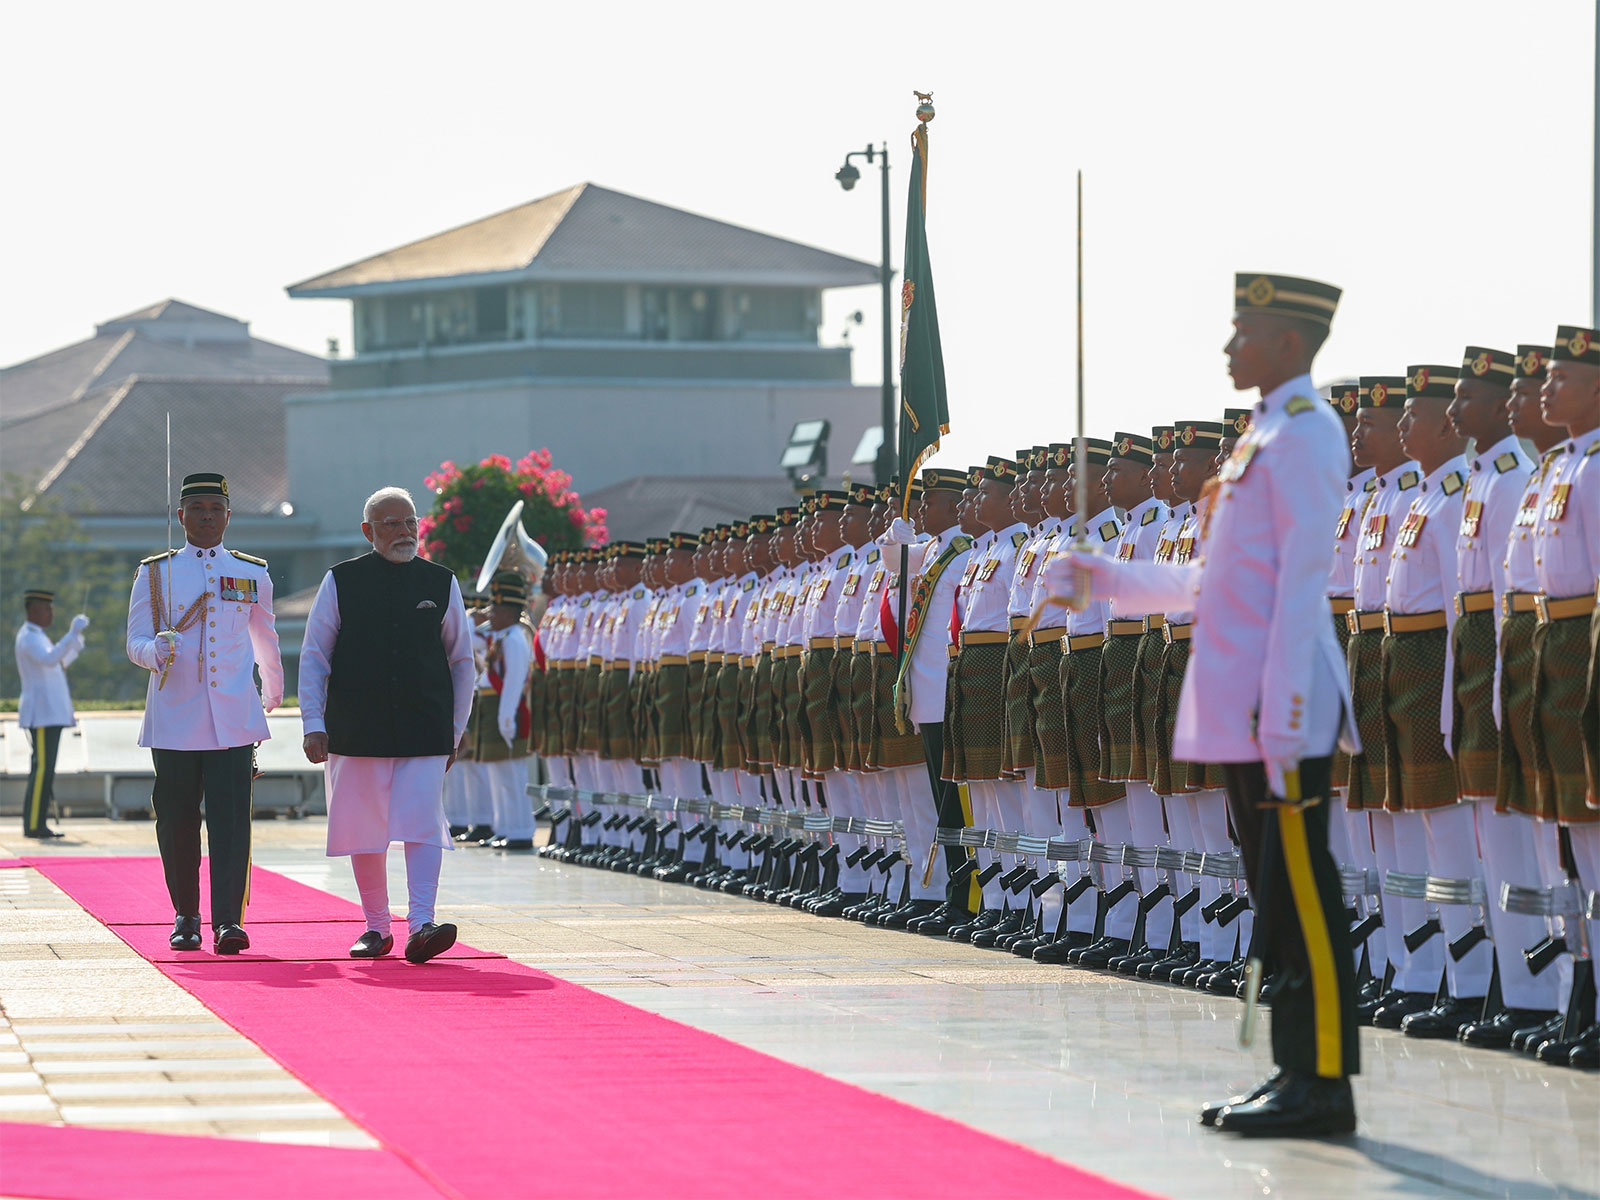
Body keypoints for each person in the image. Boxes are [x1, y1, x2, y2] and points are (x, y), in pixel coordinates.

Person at [1046, 272, 1359, 1137]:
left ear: (1288, 343)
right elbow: (1209, 582)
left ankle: (1324, 1081)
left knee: (1302, 889)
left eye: (1243, 332)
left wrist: (1285, 709)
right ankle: (1294, 1069)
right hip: (1242, 699)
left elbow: (1300, 581)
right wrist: (1107, 580)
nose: (1228, 347)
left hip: (1278, 700)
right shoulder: (1260, 437)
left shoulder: (1307, 433)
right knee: (1272, 890)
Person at [297, 486, 476, 963]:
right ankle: (377, 927)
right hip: (356, 728)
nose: (404, 531)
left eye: (410, 521)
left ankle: (422, 924)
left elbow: (462, 661)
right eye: (392, 523)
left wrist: (455, 730)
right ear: (368, 531)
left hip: (425, 727)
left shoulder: (441, 582)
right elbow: (314, 656)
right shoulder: (341, 581)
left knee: (423, 824)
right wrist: (313, 722)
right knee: (364, 828)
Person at [126, 471, 283, 954]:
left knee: (231, 822)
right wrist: (155, 650)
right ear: (181, 516)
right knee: (176, 822)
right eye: (197, 509)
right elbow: (134, 642)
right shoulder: (156, 573)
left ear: (228, 516)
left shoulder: (251, 572)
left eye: (216, 509)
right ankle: (186, 916)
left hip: (232, 716)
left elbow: (265, 636)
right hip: (175, 717)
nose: (207, 517)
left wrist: (273, 688)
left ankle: (228, 921)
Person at [14, 589, 88, 839]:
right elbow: (49, 659)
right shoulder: (29, 637)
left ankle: (37, 822)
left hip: (49, 714)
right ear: (34, 610)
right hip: (42, 714)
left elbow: (60, 661)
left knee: (44, 771)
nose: (51, 614)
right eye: (47, 609)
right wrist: (71, 634)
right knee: (42, 771)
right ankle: (34, 825)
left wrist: (75, 644)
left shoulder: (38, 636)